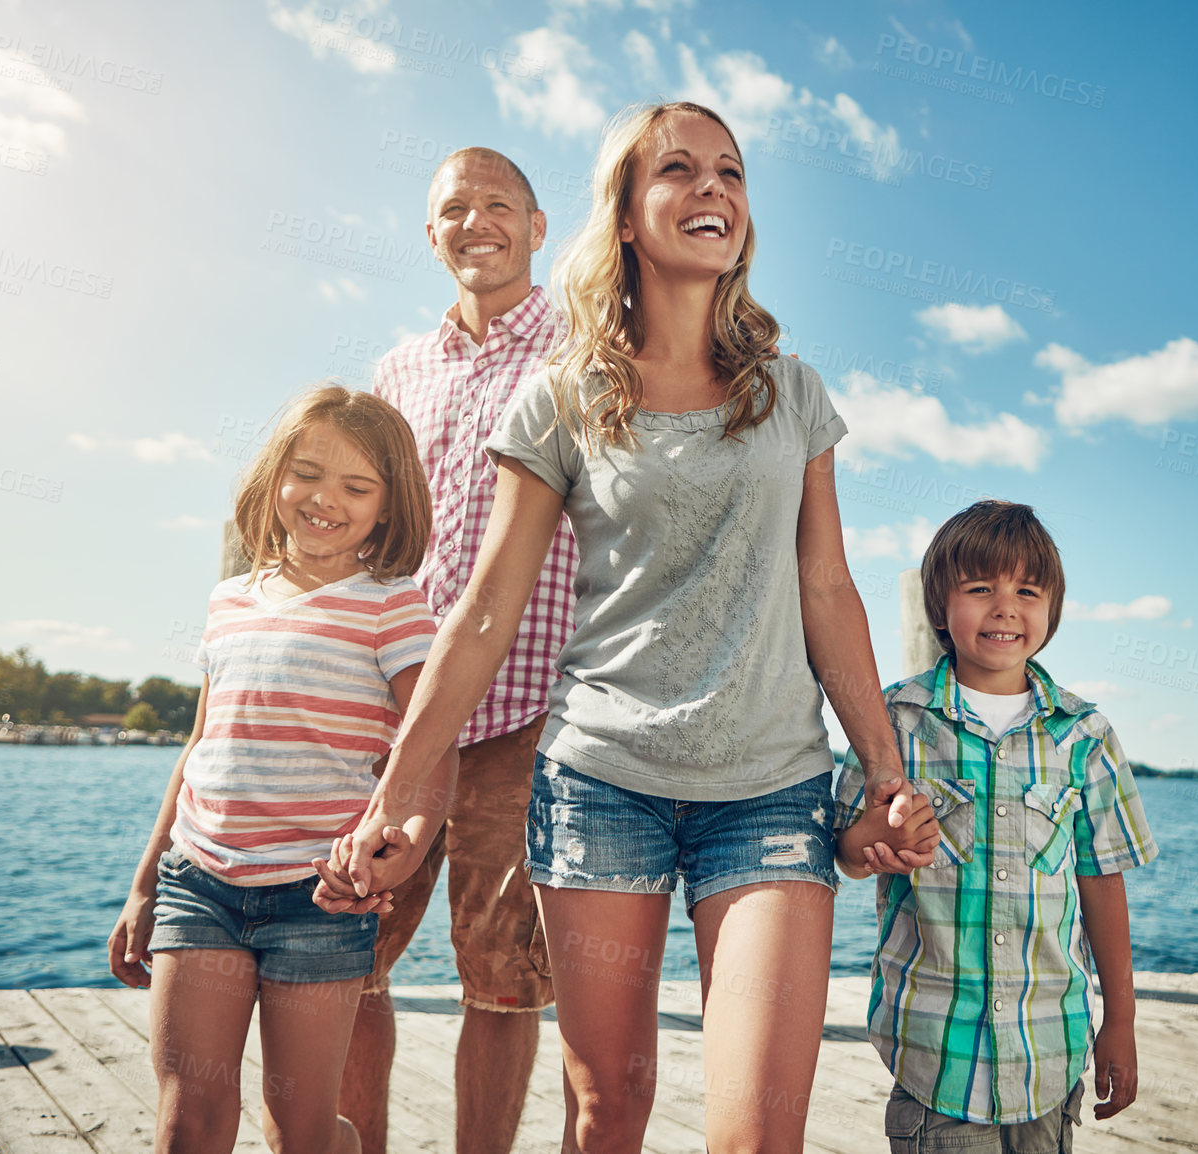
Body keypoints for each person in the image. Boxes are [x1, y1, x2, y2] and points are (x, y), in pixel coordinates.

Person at [333, 100, 924, 1154]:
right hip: (600, 785)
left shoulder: (793, 393)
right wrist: (397, 795)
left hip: (772, 793)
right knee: (610, 1110)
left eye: (731, 174)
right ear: (623, 214)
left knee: (758, 1131)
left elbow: (827, 587)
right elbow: (483, 612)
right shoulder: (560, 399)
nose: (713, 190)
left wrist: (880, 766)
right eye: (680, 171)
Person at [106, 386, 456, 1154]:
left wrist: (404, 853)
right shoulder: (228, 601)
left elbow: (433, 752)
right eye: (308, 474)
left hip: (318, 901)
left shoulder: (393, 607)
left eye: (357, 487)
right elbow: (200, 747)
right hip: (198, 883)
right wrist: (142, 886)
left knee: (298, 1127)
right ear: (274, 480)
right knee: (187, 1118)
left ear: (389, 508)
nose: (326, 499)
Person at [313, 145, 579, 1154]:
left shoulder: (587, 343)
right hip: (403, 703)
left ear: (537, 225)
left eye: (498, 205)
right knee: (349, 944)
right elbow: (376, 534)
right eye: (455, 209)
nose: (478, 222)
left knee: (505, 972)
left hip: (531, 706)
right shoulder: (395, 371)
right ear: (430, 234)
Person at [835, 500, 1159, 1154]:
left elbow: (1100, 881)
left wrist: (1117, 1022)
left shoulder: (1084, 736)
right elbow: (845, 853)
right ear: (939, 610)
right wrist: (873, 839)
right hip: (935, 1052)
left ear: (1051, 612)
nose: (1005, 607)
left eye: (1027, 591)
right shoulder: (895, 723)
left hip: (1050, 1051)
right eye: (979, 589)